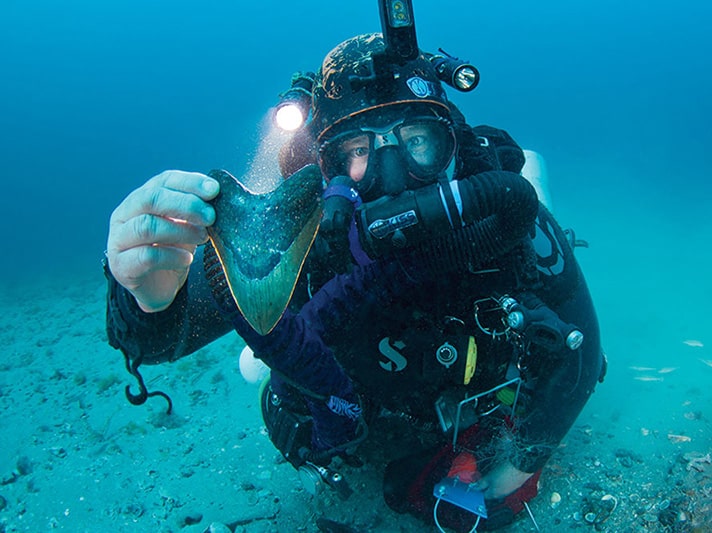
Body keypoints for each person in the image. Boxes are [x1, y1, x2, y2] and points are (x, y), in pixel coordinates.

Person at [105, 30, 605, 531]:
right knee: (254, 367)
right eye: (358, 150)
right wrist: (145, 296)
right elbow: (159, 340)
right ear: (328, 167)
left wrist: (521, 465)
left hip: (469, 408)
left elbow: (583, 352)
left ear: (450, 145)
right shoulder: (304, 237)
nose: (391, 173)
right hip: (358, 421)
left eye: (417, 142)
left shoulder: (505, 220)